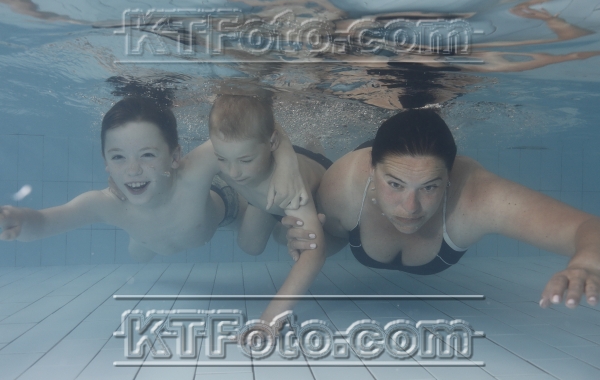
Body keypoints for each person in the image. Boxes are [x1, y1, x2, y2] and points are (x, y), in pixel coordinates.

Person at [287, 108, 600, 309]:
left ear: (449, 177)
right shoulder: (344, 185)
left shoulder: (477, 196)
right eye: (395, 185)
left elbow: (587, 228)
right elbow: (330, 237)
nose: (410, 208)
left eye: (429, 187)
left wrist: (588, 262)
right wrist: (298, 238)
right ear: (372, 171)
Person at [0, 96, 307, 262]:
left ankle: (274, 217)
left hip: (227, 206)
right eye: (118, 157)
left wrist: (288, 163)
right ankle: (143, 233)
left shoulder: (193, 170)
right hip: (152, 237)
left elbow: (257, 130)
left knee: (252, 245)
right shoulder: (104, 204)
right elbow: (46, 222)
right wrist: (19, 221)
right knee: (139, 255)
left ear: (175, 156)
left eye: (147, 155)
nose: (132, 170)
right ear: (105, 161)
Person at [209, 94, 330, 321]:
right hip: (265, 196)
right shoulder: (230, 149)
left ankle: (316, 149)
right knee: (249, 246)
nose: (233, 172)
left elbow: (315, 252)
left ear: (273, 143)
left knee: (295, 239)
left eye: (245, 160)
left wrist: (270, 319)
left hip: (308, 185)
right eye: (221, 159)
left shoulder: (289, 185)